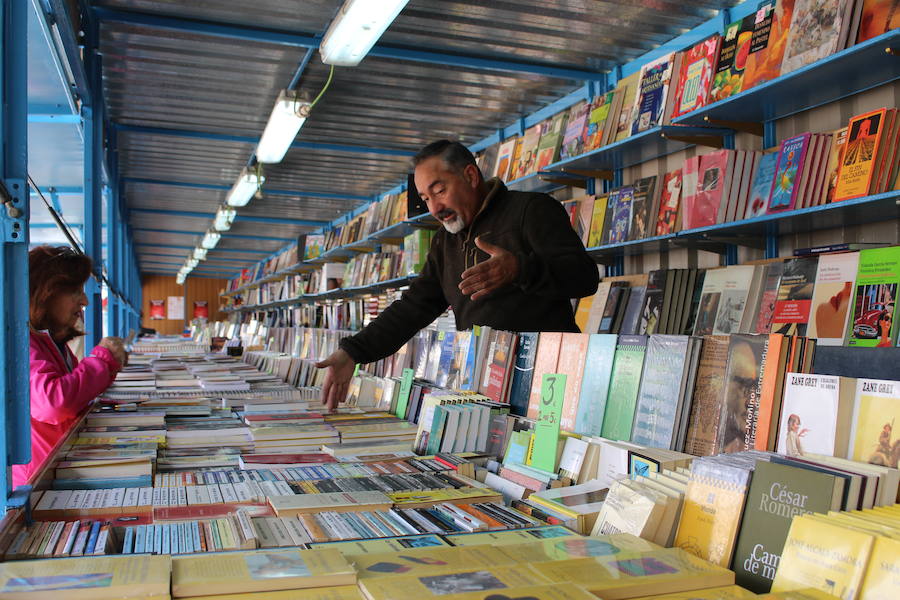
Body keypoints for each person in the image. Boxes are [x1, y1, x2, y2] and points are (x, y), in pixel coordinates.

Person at [317, 140, 600, 411]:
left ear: (470, 175)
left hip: (548, 381)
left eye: (439, 191)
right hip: (485, 388)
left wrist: (519, 268)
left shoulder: (531, 209)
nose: (434, 209)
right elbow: (415, 306)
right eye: (426, 198)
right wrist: (353, 352)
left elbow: (584, 277)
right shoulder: (444, 242)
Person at [12, 246, 129, 487]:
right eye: (75, 291)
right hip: (37, 481)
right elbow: (53, 403)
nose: (85, 301)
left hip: (56, 466)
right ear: (45, 292)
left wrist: (108, 365)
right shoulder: (21, 343)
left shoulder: (50, 341)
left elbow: (73, 394)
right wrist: (104, 359)